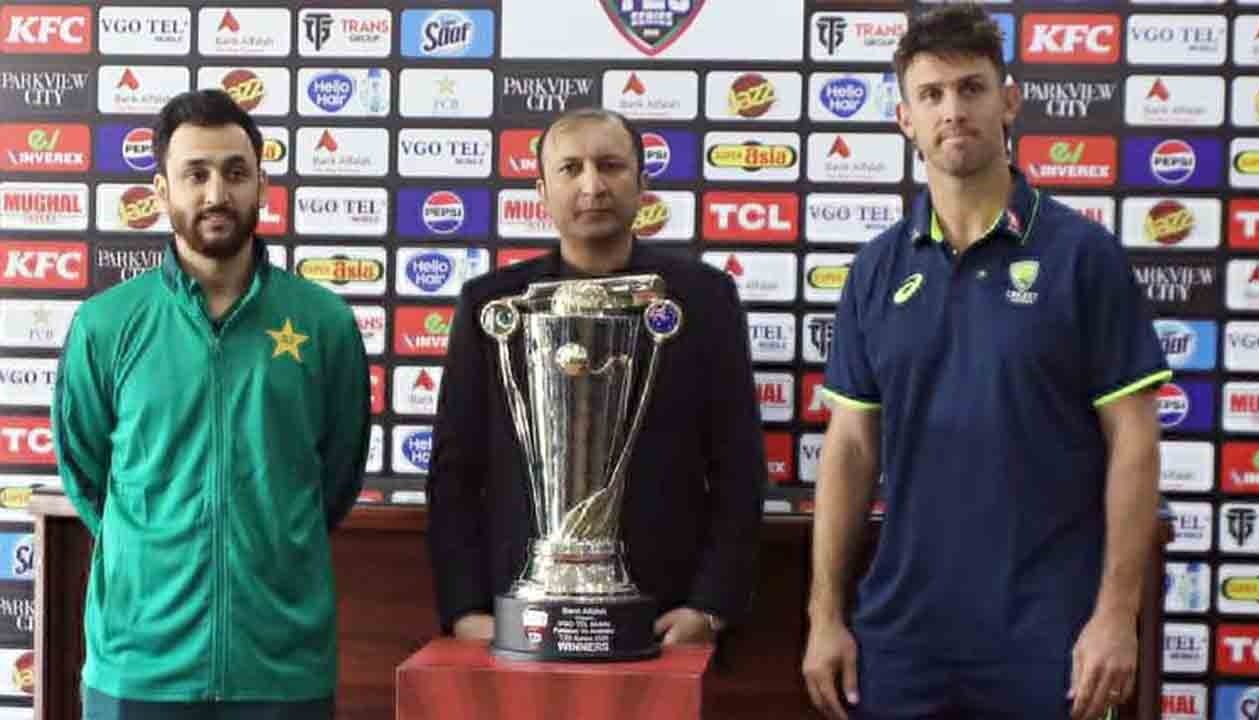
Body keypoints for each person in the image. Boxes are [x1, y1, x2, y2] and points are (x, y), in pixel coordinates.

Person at [800, 6, 1169, 720]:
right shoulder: (875, 269)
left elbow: (1135, 440)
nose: (953, 110)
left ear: (1009, 101)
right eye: (931, 95)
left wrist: (1115, 614)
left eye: (971, 88)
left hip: (1051, 632)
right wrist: (824, 616)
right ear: (905, 119)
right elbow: (849, 449)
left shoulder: (1082, 256)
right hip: (904, 634)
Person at [52, 89, 370, 719]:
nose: (216, 193)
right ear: (161, 190)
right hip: (140, 667)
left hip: (281, 668)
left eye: (235, 172)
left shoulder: (325, 324)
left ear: (262, 185)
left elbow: (335, 480)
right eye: (195, 174)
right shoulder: (106, 326)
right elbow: (86, 477)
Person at [428, 107, 765, 645]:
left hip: (661, 614)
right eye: (571, 168)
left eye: (610, 165)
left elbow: (738, 464)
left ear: (642, 182)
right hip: (518, 615)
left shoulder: (703, 300)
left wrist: (710, 607)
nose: (592, 186)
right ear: (541, 191)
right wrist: (464, 610)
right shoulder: (492, 306)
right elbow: (455, 474)